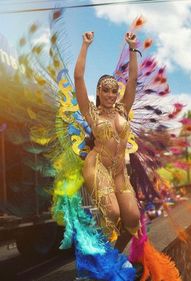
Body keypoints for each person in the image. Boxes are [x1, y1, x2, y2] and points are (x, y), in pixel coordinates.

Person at [74, 31, 140, 253]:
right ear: (98, 92)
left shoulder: (123, 109)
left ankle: (111, 256)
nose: (112, 94)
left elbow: (133, 79)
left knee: (132, 217)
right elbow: (78, 78)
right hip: (98, 166)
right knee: (112, 213)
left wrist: (132, 48)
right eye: (106, 90)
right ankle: (96, 260)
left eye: (114, 90)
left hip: (119, 171)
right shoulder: (91, 114)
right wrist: (85, 45)